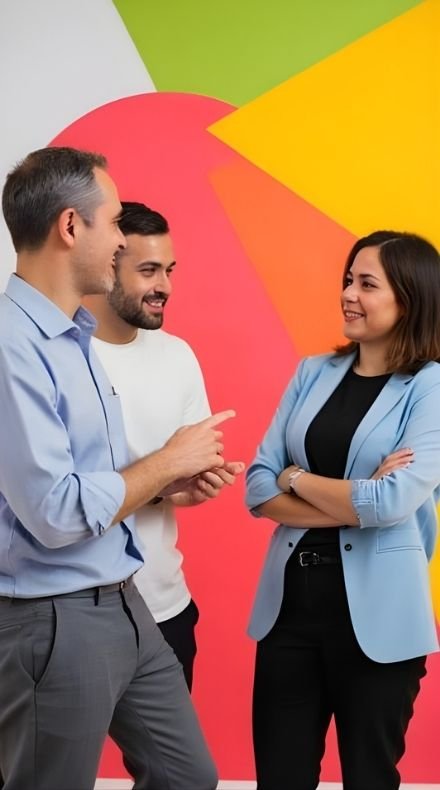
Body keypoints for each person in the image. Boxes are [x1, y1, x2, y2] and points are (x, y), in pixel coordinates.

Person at [0, 146, 239, 790]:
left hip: (126, 597)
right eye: (111, 224)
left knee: (187, 775)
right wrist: (168, 460)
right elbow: (54, 512)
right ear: (71, 227)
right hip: (52, 612)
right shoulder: (10, 346)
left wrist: (169, 479)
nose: (118, 241)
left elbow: (101, 483)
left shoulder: (73, 336)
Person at [245, 230, 440, 790]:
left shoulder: (429, 387)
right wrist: (352, 498)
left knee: (369, 779)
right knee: (280, 778)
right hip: (290, 612)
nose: (349, 294)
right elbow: (259, 487)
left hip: (381, 620)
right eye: (347, 281)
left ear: (409, 297)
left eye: (367, 284)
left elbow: (394, 500)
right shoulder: (312, 373)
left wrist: (297, 479)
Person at [85, 201, 243, 690]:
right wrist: (165, 468)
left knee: (180, 770)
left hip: (165, 607)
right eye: (148, 270)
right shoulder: (62, 356)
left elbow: (177, 475)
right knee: (55, 765)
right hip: (76, 613)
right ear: (104, 264)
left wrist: (183, 487)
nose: (165, 287)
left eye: (169, 270)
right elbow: (62, 499)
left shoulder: (177, 355)